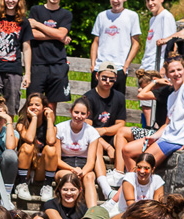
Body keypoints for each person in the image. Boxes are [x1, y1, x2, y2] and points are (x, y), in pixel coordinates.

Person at [127, 54, 184, 167]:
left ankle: (138, 178)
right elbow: (167, 124)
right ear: (167, 75)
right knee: (127, 151)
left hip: (177, 140)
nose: (176, 73)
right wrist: (154, 137)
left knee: (144, 164)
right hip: (166, 137)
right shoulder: (171, 96)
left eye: (179, 70)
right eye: (172, 71)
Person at [0, 0, 33, 116]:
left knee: (12, 103)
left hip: (14, 68)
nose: (11, 1)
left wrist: (27, 73)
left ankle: (8, 125)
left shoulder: (24, 21)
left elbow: (27, 48)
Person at [84, 63, 127, 199]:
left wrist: (104, 130)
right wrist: (108, 147)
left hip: (110, 135)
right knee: (94, 142)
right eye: (104, 78)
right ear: (97, 76)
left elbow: (121, 124)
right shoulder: (88, 98)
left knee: (122, 135)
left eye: (111, 79)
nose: (107, 81)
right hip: (94, 139)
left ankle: (119, 173)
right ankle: (105, 187)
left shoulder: (119, 97)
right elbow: (88, 129)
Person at [115, 71, 172, 173]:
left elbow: (141, 95)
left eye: (145, 87)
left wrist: (154, 82)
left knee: (122, 132)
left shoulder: (165, 90)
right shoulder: (163, 91)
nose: (139, 89)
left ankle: (120, 172)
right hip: (157, 131)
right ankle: (121, 171)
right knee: (121, 132)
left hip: (160, 133)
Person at [53, 98, 101, 209]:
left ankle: (92, 211)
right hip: (65, 165)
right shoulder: (60, 128)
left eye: (83, 114)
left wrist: (82, 172)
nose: (79, 116)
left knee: (89, 177)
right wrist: (73, 170)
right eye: (76, 112)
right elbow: (57, 160)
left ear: (87, 115)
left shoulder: (92, 132)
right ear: (71, 111)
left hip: (83, 166)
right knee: (70, 177)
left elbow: (91, 162)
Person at [28, 0, 72, 111]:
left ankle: (49, 123)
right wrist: (57, 36)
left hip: (57, 64)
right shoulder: (36, 10)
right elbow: (32, 34)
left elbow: (61, 34)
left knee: (51, 107)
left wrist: (37, 24)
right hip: (37, 64)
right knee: (32, 103)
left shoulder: (66, 14)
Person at [89, 0, 140, 94]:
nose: (115, 1)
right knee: (95, 100)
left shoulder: (132, 16)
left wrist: (126, 66)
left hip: (119, 68)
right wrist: (93, 65)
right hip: (100, 67)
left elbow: (136, 43)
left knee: (117, 100)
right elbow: (95, 42)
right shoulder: (101, 16)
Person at [14, 93, 57, 202]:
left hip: (40, 168)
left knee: (51, 149)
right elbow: (29, 138)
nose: (33, 107)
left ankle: (47, 186)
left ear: (44, 108)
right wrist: (34, 118)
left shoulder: (50, 126)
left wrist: (50, 119)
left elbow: (51, 141)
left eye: (37, 105)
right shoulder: (21, 124)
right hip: (25, 166)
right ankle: (21, 184)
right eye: (31, 104)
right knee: (28, 146)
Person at [139, 0, 176, 125]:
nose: (150, 3)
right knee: (145, 104)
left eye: (153, 0)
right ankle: (148, 129)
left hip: (157, 66)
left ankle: (152, 130)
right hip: (147, 65)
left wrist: (165, 67)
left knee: (152, 102)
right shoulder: (153, 19)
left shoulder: (166, 17)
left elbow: (170, 42)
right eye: (147, 1)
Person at [104, 153, 164, 219]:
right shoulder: (129, 178)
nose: (142, 171)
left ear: (152, 169)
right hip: (124, 213)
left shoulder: (157, 180)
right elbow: (131, 205)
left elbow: (157, 205)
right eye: (139, 167)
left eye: (146, 168)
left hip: (148, 217)